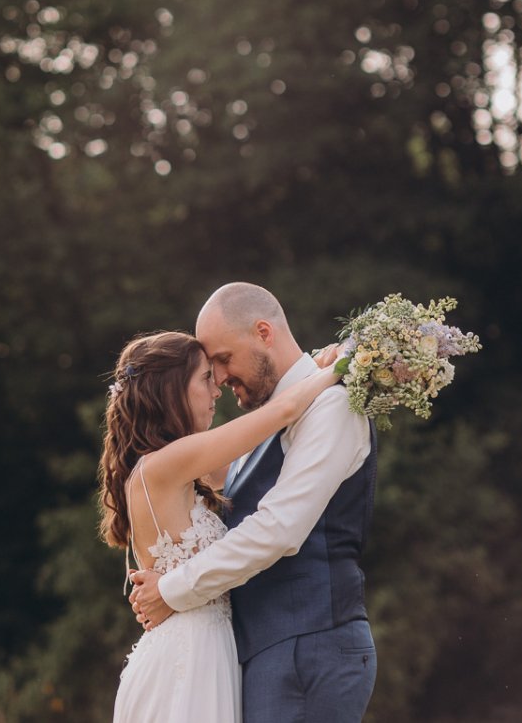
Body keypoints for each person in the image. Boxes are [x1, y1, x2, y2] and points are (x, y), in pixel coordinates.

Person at [130, 283, 378, 723]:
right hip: (260, 655)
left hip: (309, 645)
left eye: (222, 360)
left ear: (264, 332)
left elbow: (278, 529)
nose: (220, 380)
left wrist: (172, 589)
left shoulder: (332, 406)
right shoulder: (253, 437)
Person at [99, 328, 341, 723]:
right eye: (206, 379)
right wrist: (350, 363)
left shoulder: (172, 466)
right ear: (171, 389)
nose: (217, 391)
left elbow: (259, 461)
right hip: (188, 655)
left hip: (204, 648)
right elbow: (279, 415)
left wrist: (309, 369)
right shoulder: (167, 463)